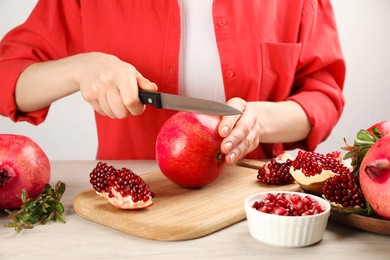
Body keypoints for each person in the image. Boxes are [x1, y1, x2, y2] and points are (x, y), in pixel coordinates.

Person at [0, 0, 345, 164]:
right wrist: (80, 69)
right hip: (130, 201)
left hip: (256, 202)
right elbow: (7, 75)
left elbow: (323, 97)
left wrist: (260, 120)